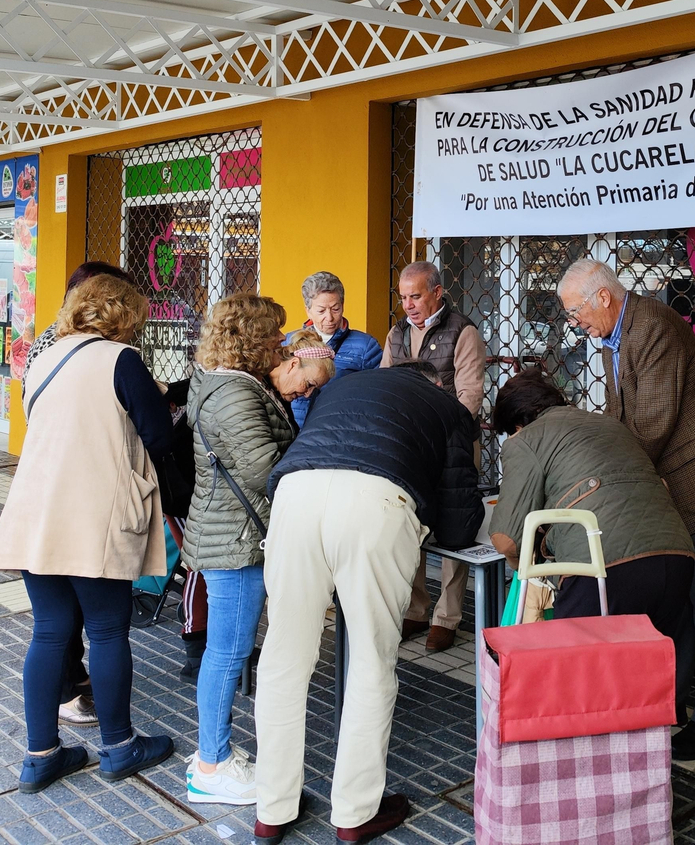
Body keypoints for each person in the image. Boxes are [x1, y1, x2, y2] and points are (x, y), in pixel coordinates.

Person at [251, 364, 483, 844]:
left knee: (283, 660)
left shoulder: (340, 385)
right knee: (371, 664)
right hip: (376, 505)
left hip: (295, 495)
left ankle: (272, 809)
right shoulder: (449, 409)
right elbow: (460, 523)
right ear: (434, 383)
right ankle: (354, 815)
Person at [558, 258, 695, 762]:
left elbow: (648, 423)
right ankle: (672, 703)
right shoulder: (615, 333)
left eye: (575, 311)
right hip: (674, 492)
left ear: (603, 297)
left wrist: (607, 480)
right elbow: (619, 413)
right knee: (685, 604)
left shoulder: (651, 327)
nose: (573, 323)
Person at [0, 274, 178, 792]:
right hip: (96, 512)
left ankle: (40, 756)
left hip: (38, 512)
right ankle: (119, 747)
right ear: (123, 315)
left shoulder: (44, 357)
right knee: (109, 629)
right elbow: (159, 435)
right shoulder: (121, 360)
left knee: (49, 631)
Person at [182, 299, 335, 806]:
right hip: (236, 540)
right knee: (228, 654)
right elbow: (262, 472)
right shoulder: (237, 393)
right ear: (253, 338)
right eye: (273, 336)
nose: (280, 343)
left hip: (227, 533)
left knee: (224, 652)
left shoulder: (223, 382)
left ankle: (212, 752)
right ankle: (212, 764)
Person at [487, 370, 694, 637]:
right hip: (677, 556)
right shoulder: (609, 425)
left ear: (517, 423)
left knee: (580, 670)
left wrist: (528, 569)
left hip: (601, 568)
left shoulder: (525, 439)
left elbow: (507, 540)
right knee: (655, 671)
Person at [380, 260, 487, 651]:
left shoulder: (463, 331)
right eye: (403, 296)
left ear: (437, 292)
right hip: (411, 447)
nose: (408, 305)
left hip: (455, 444)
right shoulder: (396, 333)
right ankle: (416, 608)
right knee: (411, 523)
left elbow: (470, 396)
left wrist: (438, 430)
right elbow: (386, 385)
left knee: (454, 527)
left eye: (416, 296)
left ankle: (448, 615)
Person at [284, 271, 382, 427]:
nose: (329, 318)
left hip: (341, 430)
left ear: (343, 306)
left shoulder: (366, 346)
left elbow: (377, 396)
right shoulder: (288, 342)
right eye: (321, 311)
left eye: (335, 309)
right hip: (296, 431)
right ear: (308, 310)